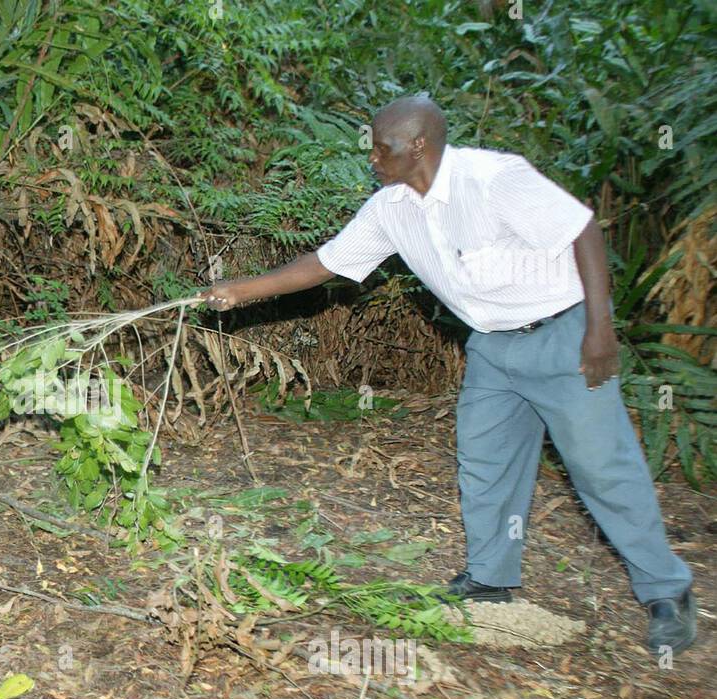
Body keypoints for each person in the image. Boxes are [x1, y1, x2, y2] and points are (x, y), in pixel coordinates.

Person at [202, 96, 697, 656]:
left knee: (602, 468)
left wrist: (600, 331)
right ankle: (490, 581)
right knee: (486, 462)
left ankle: (667, 591)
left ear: (418, 146)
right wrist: (238, 292)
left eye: (381, 147)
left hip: (563, 338)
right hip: (491, 347)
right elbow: (328, 263)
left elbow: (582, 229)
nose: (372, 157)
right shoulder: (391, 208)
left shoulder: (494, 179)